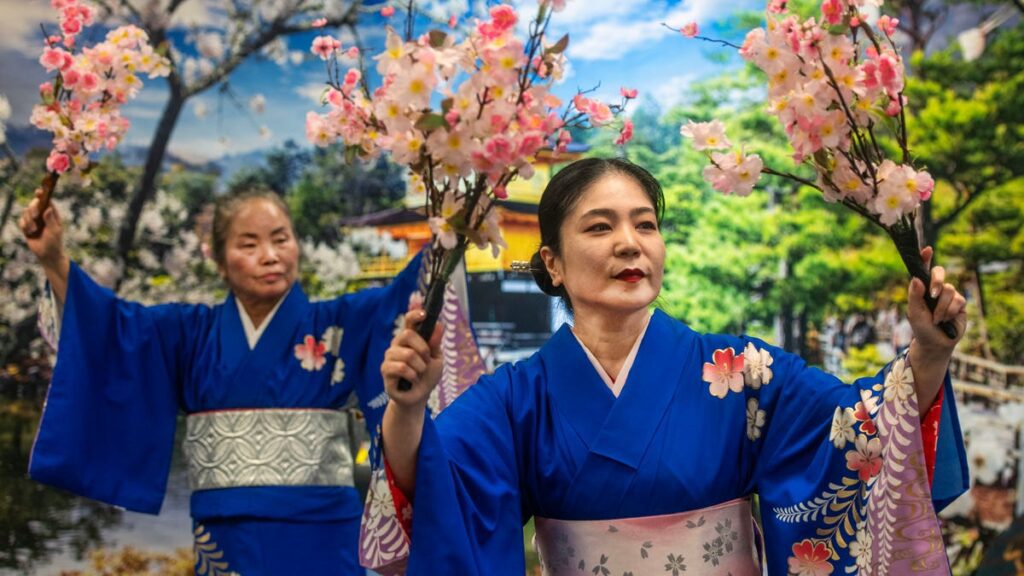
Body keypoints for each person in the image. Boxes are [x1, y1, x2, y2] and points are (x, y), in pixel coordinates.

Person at [363, 158, 970, 576]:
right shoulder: (518, 397)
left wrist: (929, 351)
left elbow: (856, 428)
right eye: (600, 227)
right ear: (552, 262)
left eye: (645, 224)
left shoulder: (741, 371)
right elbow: (436, 480)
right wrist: (407, 408)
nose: (630, 242)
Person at [19, 188, 423, 575]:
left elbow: (403, 298)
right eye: (248, 246)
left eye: (281, 240)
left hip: (321, 528)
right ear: (220, 262)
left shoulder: (338, 323)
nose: (270, 256)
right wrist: (54, 258)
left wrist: (451, 233)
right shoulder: (189, 333)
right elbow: (114, 329)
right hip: (224, 531)